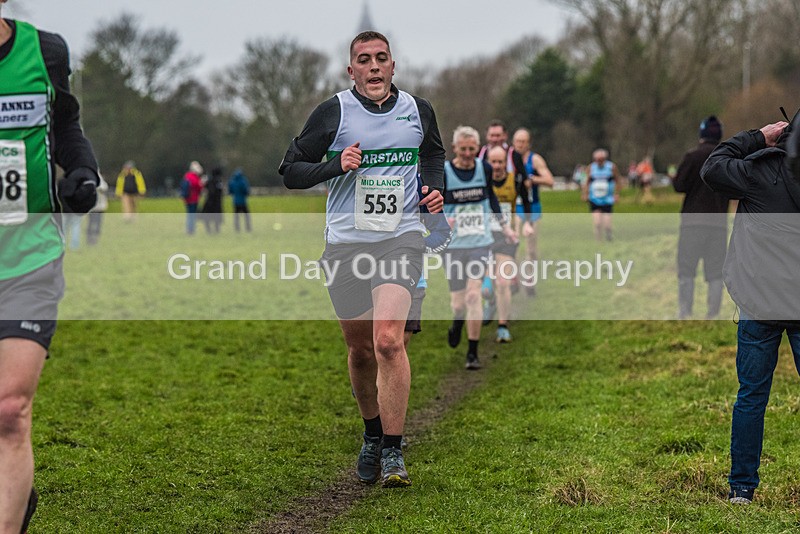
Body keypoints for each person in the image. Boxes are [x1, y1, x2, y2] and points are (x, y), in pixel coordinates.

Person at [280, 31, 445, 488]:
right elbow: (290, 171)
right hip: (347, 243)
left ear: (393, 66)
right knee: (359, 349)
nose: (373, 67)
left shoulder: (418, 110)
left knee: (388, 341)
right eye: (363, 60)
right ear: (350, 70)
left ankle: (393, 451)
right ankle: (372, 433)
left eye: (381, 59)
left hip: (401, 237)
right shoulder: (334, 112)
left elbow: (433, 154)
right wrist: (335, 165)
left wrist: (434, 191)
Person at [0, 4, 100, 532]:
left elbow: (65, 126)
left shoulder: (43, 52)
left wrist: (82, 170)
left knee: (10, 408)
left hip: (28, 256)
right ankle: (15, 488)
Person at [701, 118, 800, 505]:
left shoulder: (759, 171)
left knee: (751, 397)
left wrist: (758, 136)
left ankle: (742, 488)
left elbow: (713, 166)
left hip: (759, 303)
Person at [444, 127, 515, 369]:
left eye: (471, 149)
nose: (466, 154)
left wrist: (504, 227)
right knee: (458, 303)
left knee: (474, 295)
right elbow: (432, 204)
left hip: (480, 244)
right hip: (453, 246)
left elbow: (492, 198)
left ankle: (472, 353)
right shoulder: (444, 172)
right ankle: (457, 320)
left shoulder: (483, 169)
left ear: (477, 149)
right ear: (454, 148)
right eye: (462, 149)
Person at [672, 116, 729, 319]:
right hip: (719, 223)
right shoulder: (727, 158)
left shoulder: (692, 156)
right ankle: (712, 315)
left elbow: (679, 186)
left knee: (686, 269)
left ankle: (685, 312)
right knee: (715, 272)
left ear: (701, 134)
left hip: (692, 223)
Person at [512, 128, 554, 295]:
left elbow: (550, 180)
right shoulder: (509, 159)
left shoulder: (534, 160)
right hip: (515, 208)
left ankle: (529, 280)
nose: (520, 145)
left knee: (531, 248)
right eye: (517, 141)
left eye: (523, 142)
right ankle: (513, 278)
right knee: (512, 244)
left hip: (532, 208)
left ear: (528, 144)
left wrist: (532, 179)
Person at [486, 146, 522, 342]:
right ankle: (491, 300)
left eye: (501, 162)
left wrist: (522, 227)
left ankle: (502, 325)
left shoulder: (514, 181)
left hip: (507, 238)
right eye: (493, 162)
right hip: (484, 237)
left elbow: (524, 206)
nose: (497, 166)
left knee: (502, 282)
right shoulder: (482, 181)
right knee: (486, 288)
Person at [582, 148, 621, 241]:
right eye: (597, 160)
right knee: (597, 223)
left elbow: (618, 180)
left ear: (605, 159)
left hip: (607, 199)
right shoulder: (591, 168)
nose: (598, 162)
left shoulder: (611, 167)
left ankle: (609, 238)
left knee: (607, 225)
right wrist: (585, 193)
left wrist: (616, 194)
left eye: (601, 160)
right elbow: (586, 181)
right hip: (594, 198)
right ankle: (598, 242)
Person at [181, 161, 204, 235]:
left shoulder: (187, 176)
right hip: (193, 198)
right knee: (192, 215)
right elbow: (198, 186)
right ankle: (191, 230)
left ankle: (190, 229)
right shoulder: (194, 177)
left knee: (190, 214)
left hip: (187, 198)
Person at [86, 175, 109, 246]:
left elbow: (104, 187)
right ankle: (90, 239)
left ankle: (95, 238)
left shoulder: (101, 182)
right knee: (92, 223)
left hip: (99, 207)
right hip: (93, 208)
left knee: (97, 223)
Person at [201, 167, 224, 234]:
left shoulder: (209, 181)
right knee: (216, 217)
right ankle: (216, 230)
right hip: (217, 202)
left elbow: (205, 188)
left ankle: (209, 229)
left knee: (207, 217)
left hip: (209, 201)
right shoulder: (219, 181)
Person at [228, 168, 251, 232]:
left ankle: (237, 228)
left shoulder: (232, 181)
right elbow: (246, 191)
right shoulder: (243, 181)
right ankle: (248, 228)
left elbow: (230, 191)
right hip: (243, 201)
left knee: (236, 216)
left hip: (235, 201)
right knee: (246, 215)